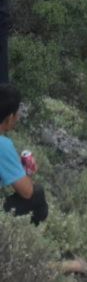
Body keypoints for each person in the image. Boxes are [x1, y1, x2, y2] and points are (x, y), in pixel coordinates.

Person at [0, 85, 44, 225]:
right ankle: (26, 241)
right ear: (9, 117)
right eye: (16, 113)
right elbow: (27, 192)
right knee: (37, 196)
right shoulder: (3, 145)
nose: (18, 117)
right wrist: (28, 171)